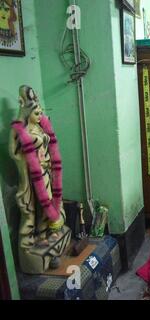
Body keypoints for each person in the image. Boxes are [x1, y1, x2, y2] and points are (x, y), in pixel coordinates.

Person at [9, 85, 69, 273]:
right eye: (36, 112)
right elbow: (13, 152)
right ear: (27, 112)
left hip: (46, 172)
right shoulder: (23, 131)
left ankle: (49, 230)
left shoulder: (40, 127)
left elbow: (50, 146)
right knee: (41, 204)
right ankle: (40, 234)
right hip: (35, 176)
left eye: (41, 111)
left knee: (51, 202)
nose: (40, 114)